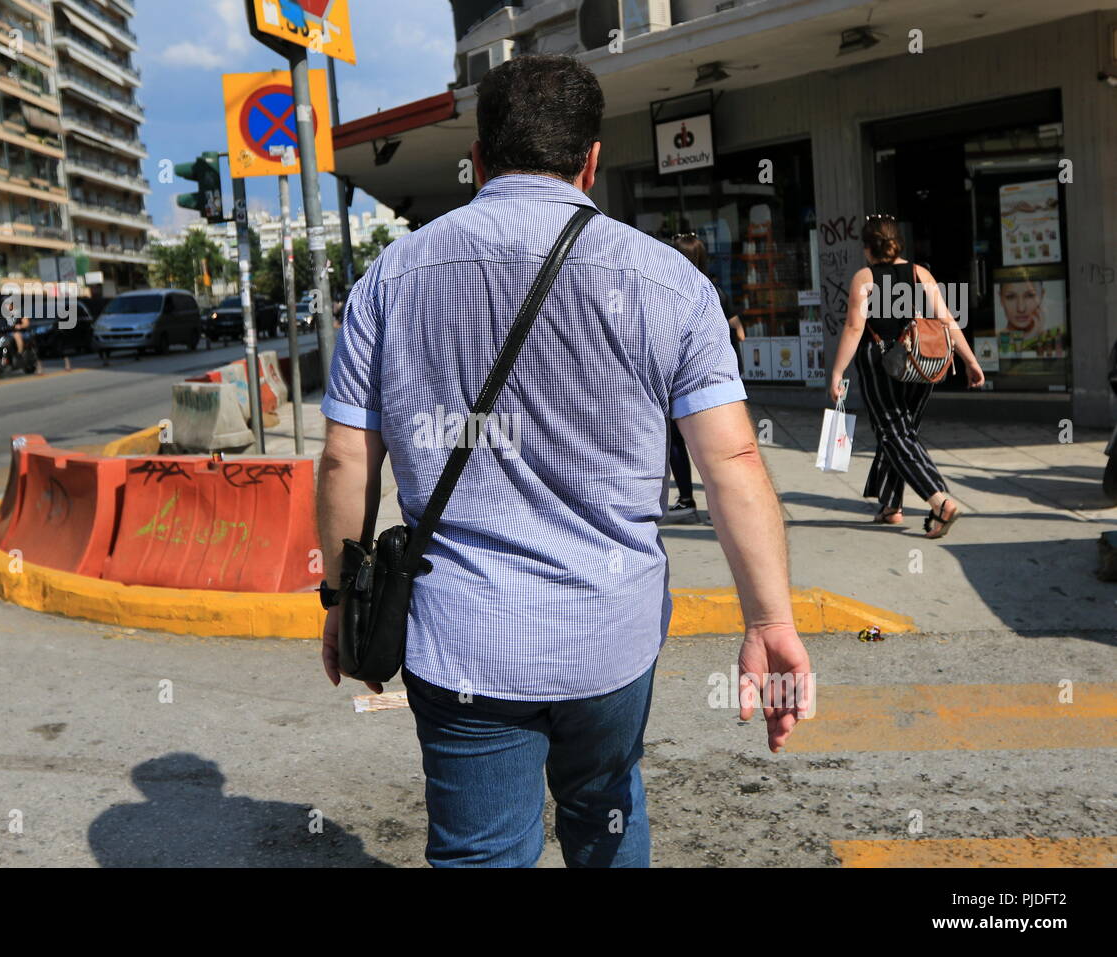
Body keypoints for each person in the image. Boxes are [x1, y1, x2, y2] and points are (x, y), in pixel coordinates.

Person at [315, 54, 811, 868]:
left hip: (462, 640)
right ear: (590, 160)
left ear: (478, 155)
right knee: (605, 811)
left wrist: (341, 595)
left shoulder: (392, 277)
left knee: (481, 852)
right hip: (608, 637)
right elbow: (731, 459)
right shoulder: (670, 283)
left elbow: (343, 459)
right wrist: (769, 619)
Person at [827, 214, 984, 538]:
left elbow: (855, 327)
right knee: (902, 431)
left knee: (892, 432)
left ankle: (939, 501)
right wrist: (970, 360)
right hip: (921, 361)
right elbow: (947, 321)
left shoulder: (865, 278)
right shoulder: (919, 273)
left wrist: (838, 371)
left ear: (868, 248)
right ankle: (891, 506)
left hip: (881, 361)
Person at [661, 233, 745, 524]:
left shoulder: (670, 293)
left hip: (681, 380)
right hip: (718, 382)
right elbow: (740, 331)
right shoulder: (715, 291)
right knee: (717, 447)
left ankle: (686, 499)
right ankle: (722, 509)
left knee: (676, 443)